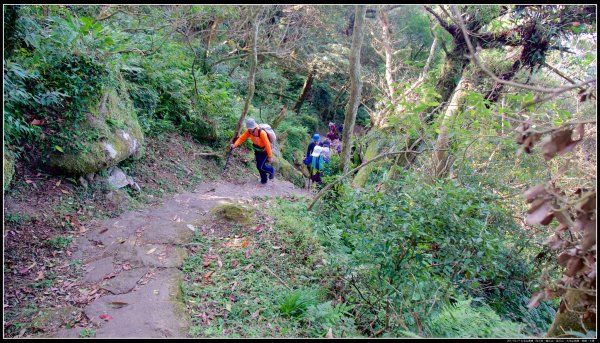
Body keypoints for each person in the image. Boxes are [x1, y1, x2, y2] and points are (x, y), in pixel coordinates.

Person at [230, 118, 275, 185]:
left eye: (251, 129)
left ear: (254, 127)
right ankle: (264, 180)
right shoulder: (249, 131)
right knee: (258, 166)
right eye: (249, 128)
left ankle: (271, 170)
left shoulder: (262, 133)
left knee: (261, 166)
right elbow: (242, 138)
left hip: (264, 150)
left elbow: (267, 144)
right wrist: (235, 145)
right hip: (257, 150)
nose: (250, 130)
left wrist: (270, 156)